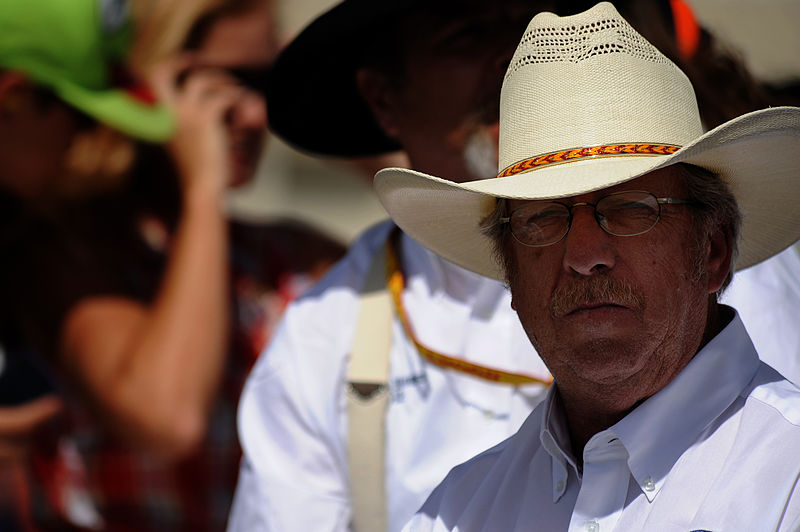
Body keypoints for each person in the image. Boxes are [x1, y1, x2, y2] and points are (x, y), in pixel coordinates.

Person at [373, 3, 800, 530]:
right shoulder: (459, 511)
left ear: (711, 251)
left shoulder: (788, 477)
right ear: (510, 272)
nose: (583, 255)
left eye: (630, 209)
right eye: (542, 219)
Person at [1, 0, 345, 529]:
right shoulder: (68, 249)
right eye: (226, 83)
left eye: (266, 83)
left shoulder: (287, 255)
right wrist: (201, 189)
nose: (255, 113)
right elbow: (167, 416)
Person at [228, 1, 555, 531]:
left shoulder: (701, 276)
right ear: (383, 99)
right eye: (468, 35)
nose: (514, 58)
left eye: (529, 26)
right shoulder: (323, 338)